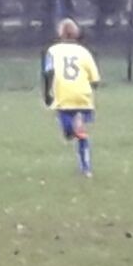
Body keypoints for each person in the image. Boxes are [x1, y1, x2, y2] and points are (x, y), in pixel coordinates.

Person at [43, 18, 101, 177]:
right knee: (80, 131)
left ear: (60, 33)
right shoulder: (84, 52)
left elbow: (48, 73)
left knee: (69, 132)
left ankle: (75, 131)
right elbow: (95, 80)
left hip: (64, 97)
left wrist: (47, 94)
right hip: (83, 97)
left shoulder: (53, 51)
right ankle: (85, 167)